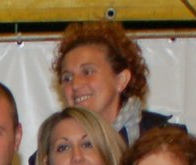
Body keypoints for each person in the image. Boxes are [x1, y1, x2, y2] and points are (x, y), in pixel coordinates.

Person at [52, 20, 183, 146]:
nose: (75, 85)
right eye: (67, 78)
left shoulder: (167, 142)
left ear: (121, 80)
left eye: (87, 72)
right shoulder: (53, 151)